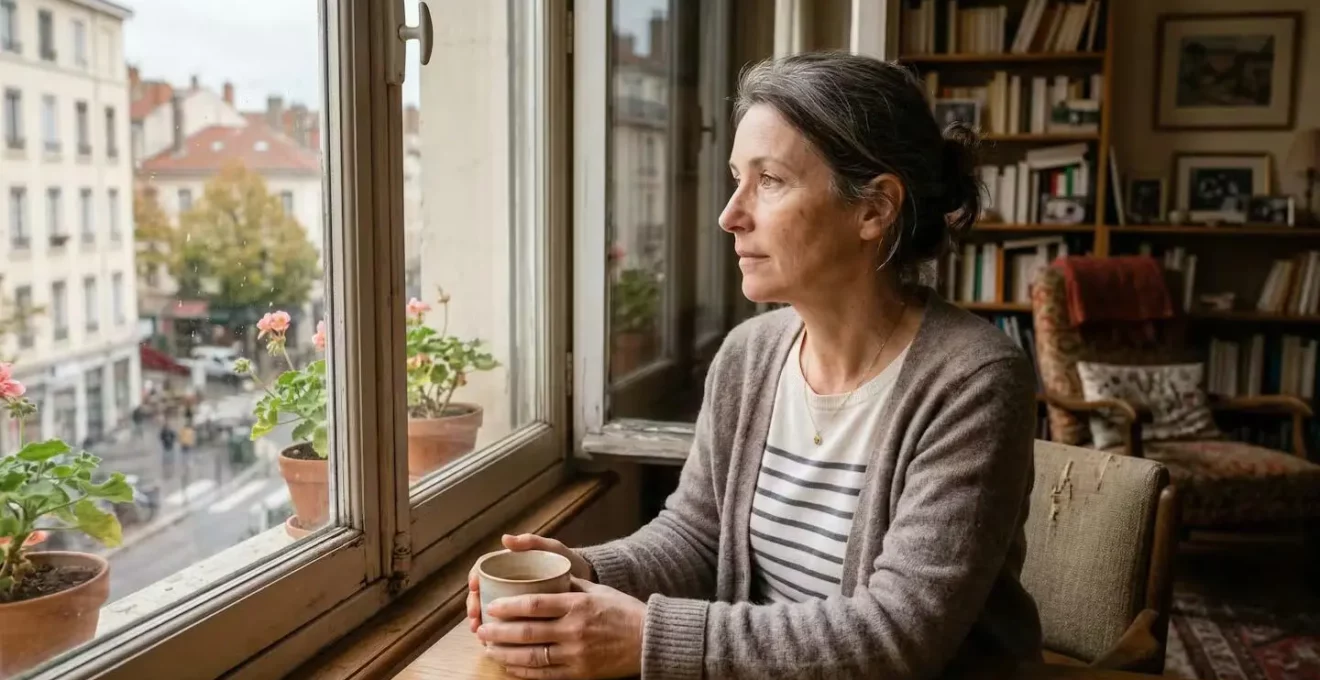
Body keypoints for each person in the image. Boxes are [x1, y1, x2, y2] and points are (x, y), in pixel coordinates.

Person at [468, 52, 1041, 679]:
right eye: (736, 178)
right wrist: (583, 573)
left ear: (874, 209)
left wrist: (647, 636)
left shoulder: (975, 381)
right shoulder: (749, 355)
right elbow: (695, 537)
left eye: (769, 180)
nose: (729, 215)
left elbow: (897, 635)